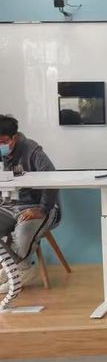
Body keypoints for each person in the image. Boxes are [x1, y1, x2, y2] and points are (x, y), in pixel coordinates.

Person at [0, 115, 61, 293]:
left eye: (3, 142)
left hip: (38, 207)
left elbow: (52, 179)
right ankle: (16, 268)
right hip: (8, 206)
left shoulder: (32, 150)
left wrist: (42, 209)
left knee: (23, 232)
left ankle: (20, 270)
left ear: (14, 137)